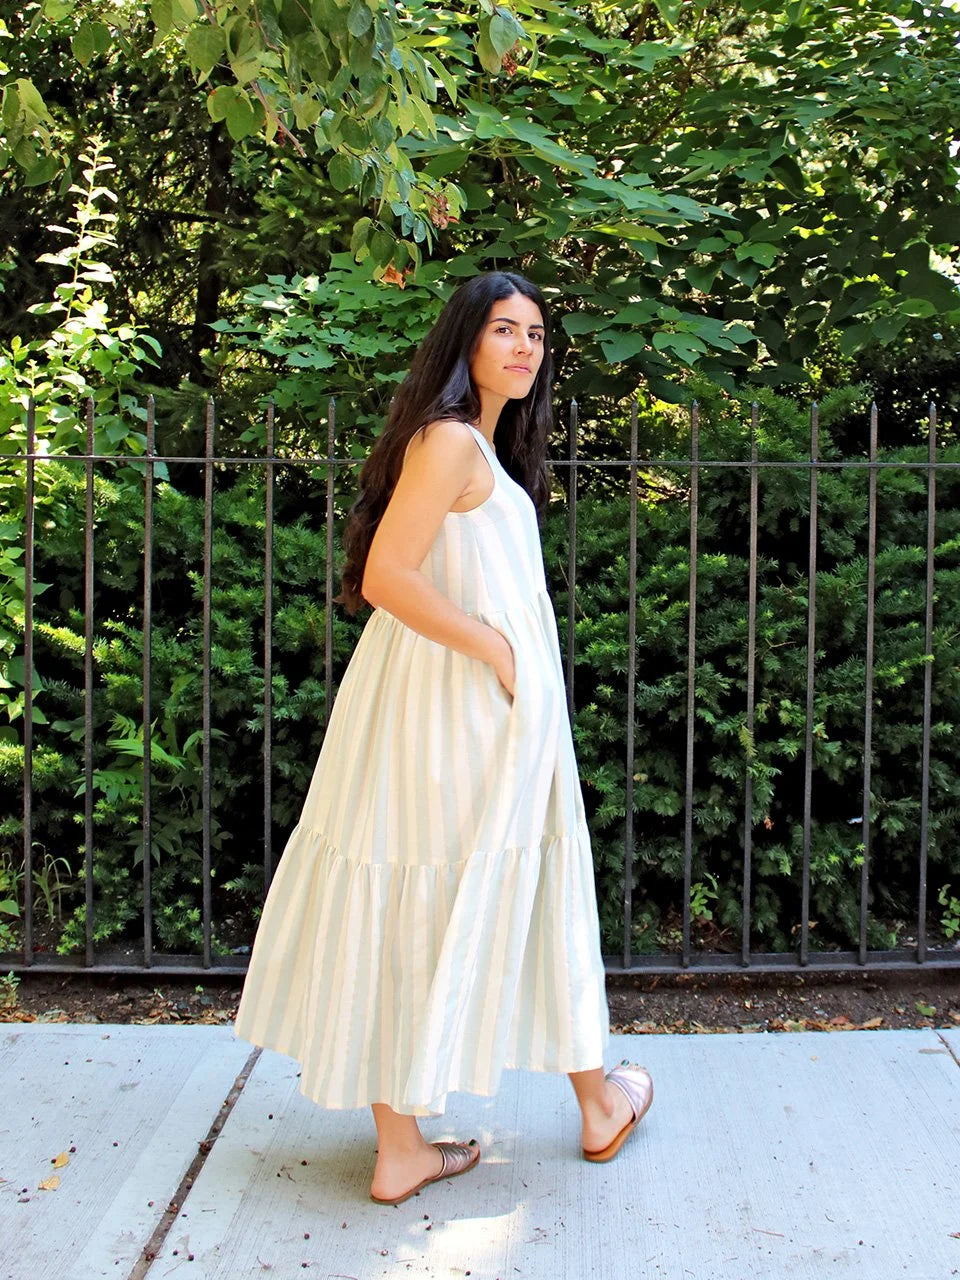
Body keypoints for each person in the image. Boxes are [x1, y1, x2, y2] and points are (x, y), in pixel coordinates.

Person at [232, 270, 653, 1206]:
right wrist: (500, 652)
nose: (524, 346)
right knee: (487, 881)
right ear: (465, 340)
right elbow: (387, 575)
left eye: (536, 333)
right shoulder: (452, 439)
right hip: (455, 707)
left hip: (461, 704)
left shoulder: (476, 447)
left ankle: (410, 1148)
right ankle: (590, 1107)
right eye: (504, 328)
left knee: (448, 883)